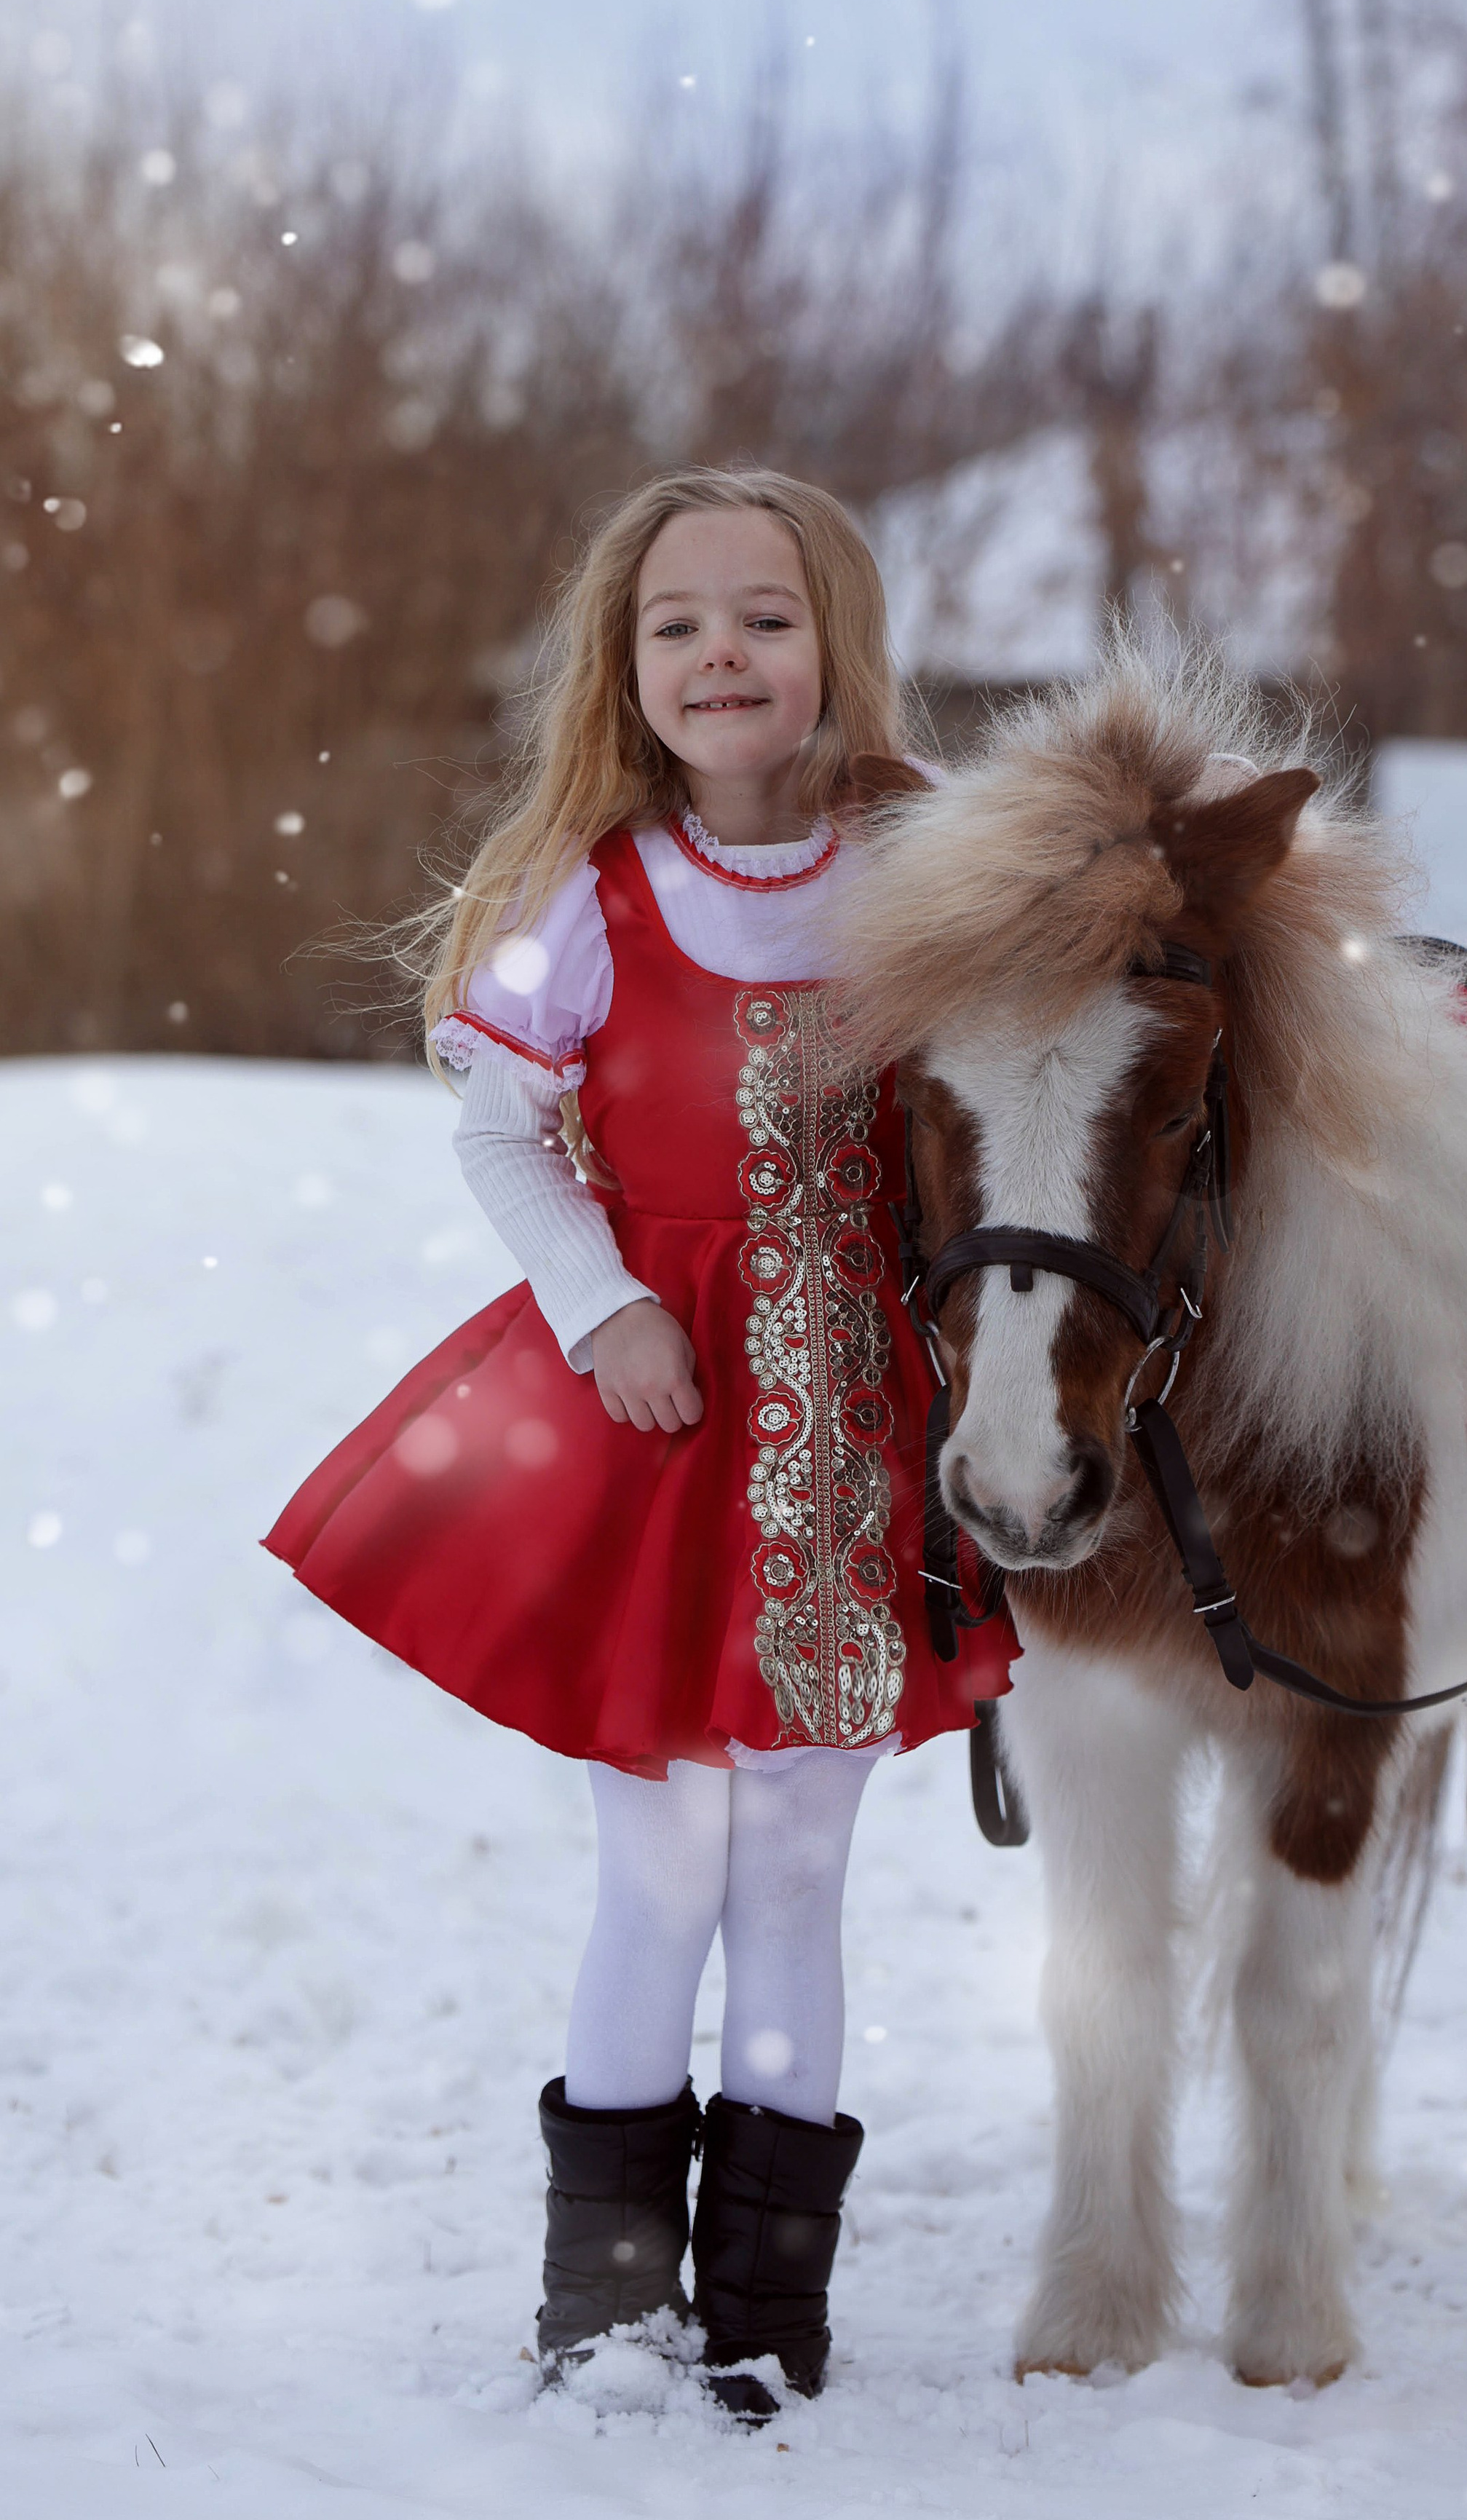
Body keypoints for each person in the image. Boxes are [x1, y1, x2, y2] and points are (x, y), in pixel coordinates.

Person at [265, 467, 1015, 2420]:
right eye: (675, 623)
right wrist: (603, 1304)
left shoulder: (929, 861)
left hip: (857, 1431)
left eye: (766, 616)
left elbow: (1048, 1060)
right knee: (665, 1858)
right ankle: (604, 2305)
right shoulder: (582, 900)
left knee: (798, 1867)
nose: (721, 654)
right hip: (664, 1410)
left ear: (836, 643)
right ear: (626, 664)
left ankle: (768, 2315)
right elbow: (503, 1127)